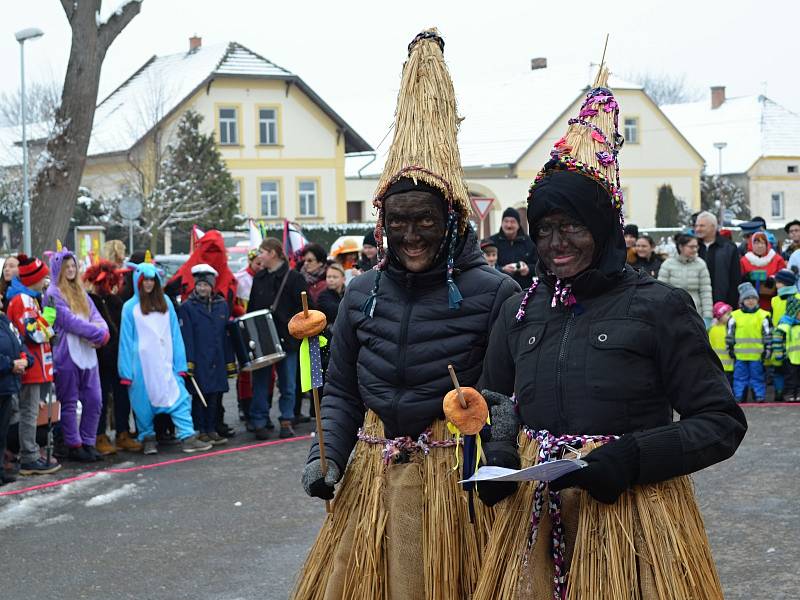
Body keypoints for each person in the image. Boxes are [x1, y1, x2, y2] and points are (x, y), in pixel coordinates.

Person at [473, 68, 744, 599]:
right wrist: (500, 451)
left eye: (571, 227)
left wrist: (633, 457)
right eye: (545, 229)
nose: (556, 243)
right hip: (534, 525)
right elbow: (496, 396)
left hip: (631, 527)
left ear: (603, 230)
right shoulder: (520, 310)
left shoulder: (658, 307)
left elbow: (720, 424)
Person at [293, 30, 520, 600]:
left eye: (425, 220)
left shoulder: (494, 294)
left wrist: (496, 463)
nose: (411, 234)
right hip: (374, 481)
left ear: (452, 221)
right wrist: (327, 457)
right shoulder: (362, 291)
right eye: (399, 221)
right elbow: (341, 388)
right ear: (382, 224)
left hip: (454, 483)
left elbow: (504, 395)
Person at [118, 262, 213, 455]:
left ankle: (187, 436)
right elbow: (125, 341)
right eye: (145, 280)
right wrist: (126, 371)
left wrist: (180, 363)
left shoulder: (166, 303)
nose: (149, 284)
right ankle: (148, 437)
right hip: (142, 368)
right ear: (138, 281)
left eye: (152, 280)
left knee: (180, 398)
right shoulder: (129, 308)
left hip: (166, 364)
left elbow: (175, 334)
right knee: (142, 405)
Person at [44, 246, 110, 462]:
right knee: (69, 401)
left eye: (73, 266)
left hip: (88, 354)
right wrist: (97, 334)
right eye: (66, 266)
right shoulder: (52, 293)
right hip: (66, 354)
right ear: (58, 268)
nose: (71, 269)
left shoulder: (81, 292)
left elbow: (96, 316)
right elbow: (68, 322)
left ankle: (88, 441)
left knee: (94, 399)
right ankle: (74, 445)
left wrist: (102, 333)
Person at [6, 255, 61, 475]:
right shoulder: (22, 300)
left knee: (30, 411)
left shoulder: (32, 298)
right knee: (28, 412)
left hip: (38, 365)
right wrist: (48, 322)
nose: (45, 280)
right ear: (32, 279)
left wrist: (47, 325)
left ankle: (30, 451)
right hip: (30, 366)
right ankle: (28, 455)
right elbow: (34, 333)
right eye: (42, 276)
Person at [248, 238, 307, 440]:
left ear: (272, 253)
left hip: (287, 339)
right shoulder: (259, 277)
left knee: (288, 383)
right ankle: (259, 421)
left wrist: (293, 328)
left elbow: (304, 309)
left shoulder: (294, 278)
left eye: (262, 252)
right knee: (261, 382)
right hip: (263, 340)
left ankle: (286, 420)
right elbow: (252, 309)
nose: (259, 256)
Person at [83, 260, 142, 454]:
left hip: (118, 357)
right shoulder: (89, 302)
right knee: (99, 398)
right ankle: (99, 435)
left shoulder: (117, 302)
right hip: (98, 359)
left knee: (122, 395)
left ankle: (122, 432)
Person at [179, 264, 236, 446]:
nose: (202, 288)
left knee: (215, 396)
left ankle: (211, 429)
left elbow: (226, 335)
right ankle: (201, 429)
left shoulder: (222, 305)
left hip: (218, 358)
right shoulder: (188, 307)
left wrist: (229, 362)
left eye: (206, 285)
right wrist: (189, 362)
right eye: (199, 284)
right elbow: (186, 336)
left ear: (212, 286)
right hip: (199, 358)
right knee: (199, 396)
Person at [0, 303, 31, 485]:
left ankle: (1, 470)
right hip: (5, 376)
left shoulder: (4, 320)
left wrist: (25, 360)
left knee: (1, 432)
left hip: (6, 386)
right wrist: (11, 364)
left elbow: (19, 343)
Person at [726, 282, 771, 403]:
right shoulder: (735, 316)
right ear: (742, 301)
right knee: (739, 378)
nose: (750, 301)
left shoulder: (763, 315)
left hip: (757, 355)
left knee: (757, 377)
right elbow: (730, 335)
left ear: (757, 300)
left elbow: (767, 335)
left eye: (753, 298)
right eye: (747, 298)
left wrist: (767, 350)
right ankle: (739, 396)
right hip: (740, 355)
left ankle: (759, 396)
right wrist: (730, 349)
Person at [658, 233, 713, 326]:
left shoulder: (701, 264)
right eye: (691, 247)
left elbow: (706, 291)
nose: (695, 249)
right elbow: (660, 291)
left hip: (695, 311)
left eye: (696, 247)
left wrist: (707, 316)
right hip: (672, 312)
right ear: (681, 247)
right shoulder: (667, 264)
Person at [234, 249, 262, 422]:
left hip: (260, 326)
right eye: (257, 263)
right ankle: (243, 405)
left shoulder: (265, 277)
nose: (260, 267)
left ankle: (259, 405)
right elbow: (234, 302)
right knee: (245, 369)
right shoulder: (240, 278)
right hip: (244, 325)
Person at [694, 211, 742, 307]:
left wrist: (731, 305)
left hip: (722, 305)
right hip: (697, 304)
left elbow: (735, 278)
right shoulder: (693, 246)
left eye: (702, 226)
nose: (697, 229)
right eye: (696, 226)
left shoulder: (728, 247)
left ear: (713, 227)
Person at [489, 206, 536, 288]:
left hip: (524, 290)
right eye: (506, 221)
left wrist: (528, 269)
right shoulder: (492, 242)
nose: (509, 225)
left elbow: (540, 265)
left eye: (512, 222)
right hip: (499, 289)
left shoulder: (530, 242)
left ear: (518, 224)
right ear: (502, 223)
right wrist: (502, 269)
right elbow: (486, 266)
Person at [740, 230, 786, 311]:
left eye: (762, 243)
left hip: (772, 301)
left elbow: (784, 277)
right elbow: (739, 279)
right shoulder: (744, 260)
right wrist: (746, 278)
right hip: (750, 302)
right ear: (751, 244)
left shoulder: (777, 259)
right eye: (756, 243)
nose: (760, 246)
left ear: (767, 244)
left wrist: (773, 279)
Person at [773, 297, 800, 402]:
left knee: (797, 378)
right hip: (790, 358)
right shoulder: (786, 325)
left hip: (797, 357)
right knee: (790, 378)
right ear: (794, 312)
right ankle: (790, 394)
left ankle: (797, 394)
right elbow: (777, 338)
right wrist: (779, 354)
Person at [709, 301, 734, 387]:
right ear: (719, 316)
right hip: (724, 365)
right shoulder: (715, 330)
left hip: (724, 365)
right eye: (727, 314)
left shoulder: (712, 329)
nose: (730, 316)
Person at [316, 262, 346, 327]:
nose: (331, 280)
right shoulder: (322, 296)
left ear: (344, 279)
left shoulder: (348, 294)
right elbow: (333, 312)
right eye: (328, 277)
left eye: (335, 277)